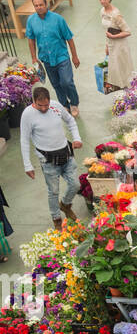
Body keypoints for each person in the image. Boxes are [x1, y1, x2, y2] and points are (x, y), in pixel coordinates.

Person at [20, 85, 83, 230]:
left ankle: (65, 205)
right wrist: (27, 165)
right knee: (53, 191)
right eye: (40, 105)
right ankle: (56, 219)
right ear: (33, 101)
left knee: (75, 185)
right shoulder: (27, 115)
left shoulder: (55, 106)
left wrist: (77, 138)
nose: (43, 108)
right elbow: (24, 140)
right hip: (47, 159)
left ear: (50, 100)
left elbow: (71, 121)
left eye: (46, 105)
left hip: (65, 153)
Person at [26, 0, 80, 116]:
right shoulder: (31, 21)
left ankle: (74, 103)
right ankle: (64, 105)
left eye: (41, 5)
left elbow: (69, 38)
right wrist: (34, 57)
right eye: (36, 5)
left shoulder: (58, 19)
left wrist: (74, 56)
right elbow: (31, 39)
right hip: (46, 59)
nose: (39, 7)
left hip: (61, 56)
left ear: (46, 4)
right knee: (56, 84)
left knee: (66, 82)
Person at [96, 0, 133, 91]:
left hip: (120, 46)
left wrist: (113, 37)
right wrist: (107, 45)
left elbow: (127, 31)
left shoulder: (116, 14)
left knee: (123, 69)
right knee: (115, 70)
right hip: (111, 45)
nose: (102, 1)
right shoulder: (102, 11)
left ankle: (128, 91)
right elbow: (106, 30)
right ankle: (121, 90)